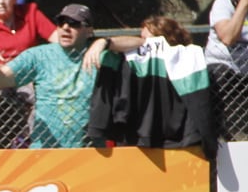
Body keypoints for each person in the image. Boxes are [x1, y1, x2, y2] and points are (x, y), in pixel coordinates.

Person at [0, 4, 139, 148]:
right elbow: (0, 81)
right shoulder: (39, 55)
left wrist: (104, 42)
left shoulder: (102, 55)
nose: (65, 27)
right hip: (46, 147)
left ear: (89, 30)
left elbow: (142, 42)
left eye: (74, 23)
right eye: (61, 22)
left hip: (90, 150)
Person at [88, 16, 217, 160]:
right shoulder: (126, 59)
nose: (143, 47)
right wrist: (102, 42)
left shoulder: (187, 56)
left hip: (182, 143)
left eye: (150, 40)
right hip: (137, 140)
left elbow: (200, 105)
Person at [0, 0, 57, 149]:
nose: (1, 1)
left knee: (43, 89)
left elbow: (58, 40)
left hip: (26, 76)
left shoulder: (31, 13)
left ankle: (27, 138)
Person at [205, 0, 248, 140]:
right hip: (224, 67)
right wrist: (244, 4)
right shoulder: (223, 3)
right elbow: (228, 37)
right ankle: (218, 134)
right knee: (218, 73)